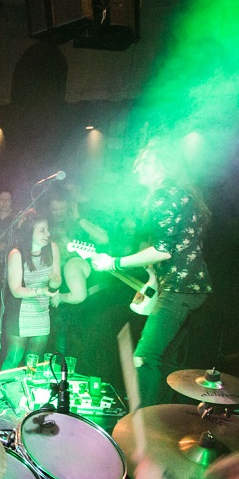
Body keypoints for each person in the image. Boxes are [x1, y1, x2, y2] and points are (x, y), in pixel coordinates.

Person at [91, 139, 211, 406]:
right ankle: (161, 419)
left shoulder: (164, 196)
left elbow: (163, 250)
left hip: (179, 288)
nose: (137, 168)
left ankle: (141, 422)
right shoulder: (180, 193)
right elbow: (179, 247)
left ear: (162, 165)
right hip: (191, 287)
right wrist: (153, 281)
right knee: (166, 361)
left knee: (144, 358)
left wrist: (114, 262)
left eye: (144, 162)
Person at [1, 211, 60, 369]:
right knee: (14, 358)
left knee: (33, 362)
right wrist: (41, 291)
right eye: (42, 230)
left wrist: (55, 286)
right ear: (30, 233)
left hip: (41, 312)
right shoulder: (16, 254)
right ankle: (0, 385)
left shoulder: (53, 248)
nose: (47, 234)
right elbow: (15, 290)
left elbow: (55, 283)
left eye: (47, 229)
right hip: (19, 313)